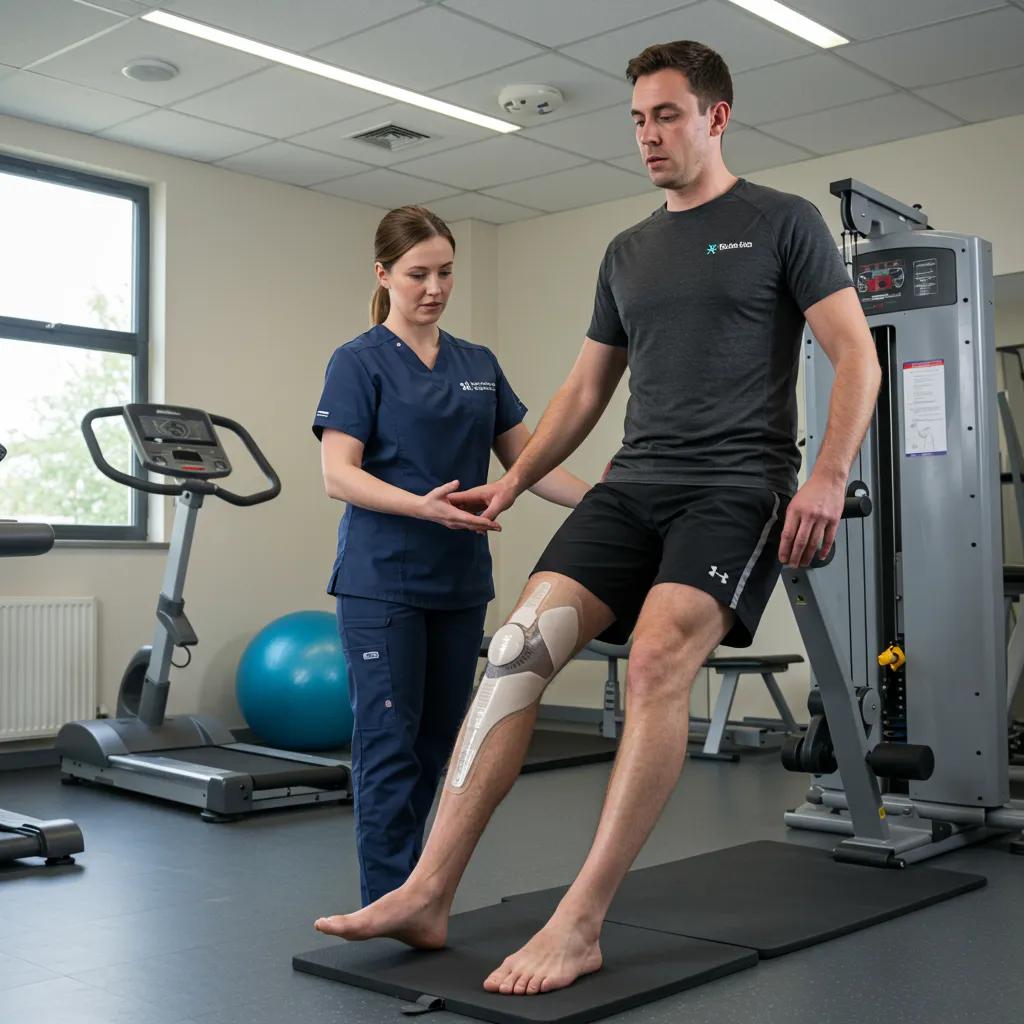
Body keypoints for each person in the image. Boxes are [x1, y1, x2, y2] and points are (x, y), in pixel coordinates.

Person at [313, 41, 882, 996]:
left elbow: (854, 356)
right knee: (514, 654)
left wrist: (826, 476)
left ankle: (579, 923)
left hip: (735, 486)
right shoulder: (628, 250)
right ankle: (425, 890)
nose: (648, 135)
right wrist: (514, 479)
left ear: (716, 117)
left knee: (659, 659)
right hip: (635, 483)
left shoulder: (782, 223)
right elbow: (584, 390)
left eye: (666, 114)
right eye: (636, 120)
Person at [312, 205, 589, 906]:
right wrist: (421, 506)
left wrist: (601, 501)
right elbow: (337, 473)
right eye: (417, 274)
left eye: (444, 273)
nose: (433, 287)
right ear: (384, 274)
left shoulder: (477, 365)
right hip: (384, 583)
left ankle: (418, 895)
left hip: (460, 585)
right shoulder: (358, 361)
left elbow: (527, 463)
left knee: (438, 747)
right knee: (386, 747)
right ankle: (387, 902)